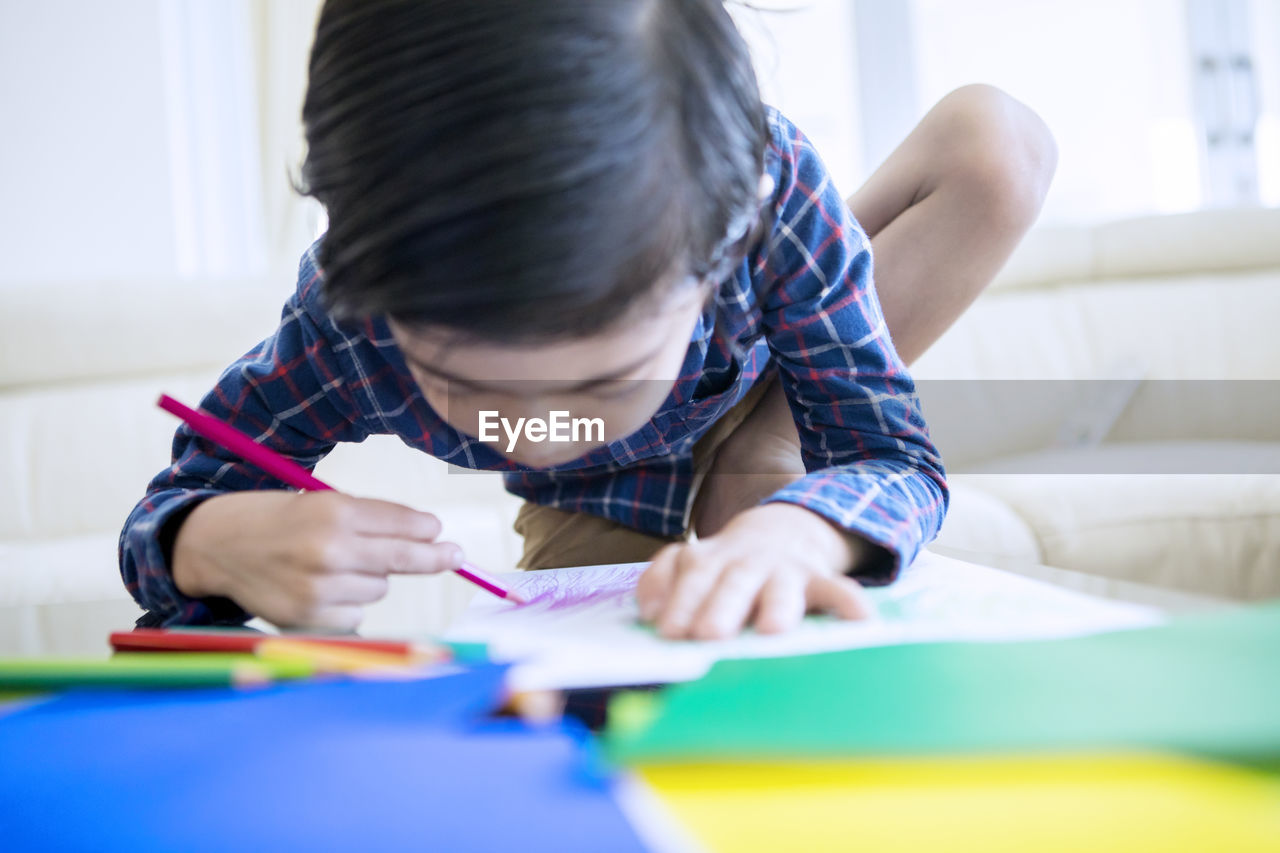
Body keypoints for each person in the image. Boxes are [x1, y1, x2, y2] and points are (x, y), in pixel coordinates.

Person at [120, 0, 1055, 640]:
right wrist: (211, 543)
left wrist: (807, 528)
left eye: (601, 377)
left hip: (777, 370)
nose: (538, 426)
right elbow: (168, 508)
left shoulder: (766, 203)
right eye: (472, 386)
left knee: (997, 146)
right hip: (599, 502)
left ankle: (763, 439)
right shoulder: (348, 322)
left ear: (725, 245)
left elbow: (892, 461)